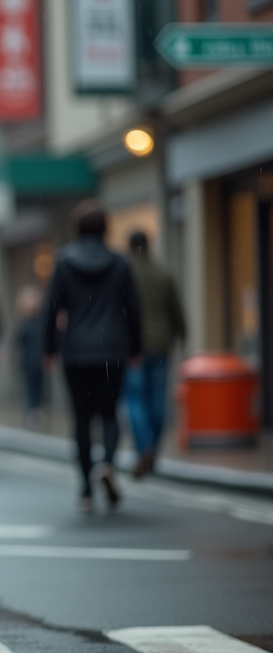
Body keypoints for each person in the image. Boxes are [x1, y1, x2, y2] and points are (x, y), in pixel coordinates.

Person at [42, 202, 142, 512]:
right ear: (106, 229)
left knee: (82, 419)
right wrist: (136, 347)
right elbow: (133, 309)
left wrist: (48, 349)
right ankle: (107, 465)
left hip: (76, 351)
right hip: (112, 348)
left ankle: (85, 489)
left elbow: (51, 309)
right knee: (110, 413)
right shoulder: (120, 263)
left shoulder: (63, 262)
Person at [125, 230, 186, 479]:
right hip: (161, 343)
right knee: (157, 399)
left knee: (134, 398)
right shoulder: (164, 273)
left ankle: (144, 447)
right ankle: (154, 451)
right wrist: (182, 334)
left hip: (132, 346)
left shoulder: (124, 273)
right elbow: (176, 309)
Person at [14, 285, 46, 429]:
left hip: (31, 361)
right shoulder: (40, 323)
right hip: (38, 361)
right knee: (36, 388)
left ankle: (33, 411)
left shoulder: (26, 324)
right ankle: (35, 411)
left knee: (32, 389)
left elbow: (18, 341)